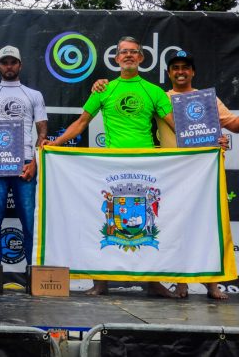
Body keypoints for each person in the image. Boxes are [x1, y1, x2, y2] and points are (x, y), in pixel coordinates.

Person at [95, 50, 239, 299]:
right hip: (172, 175)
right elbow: (131, 110)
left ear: (192, 72)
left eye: (185, 67)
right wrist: (100, 83)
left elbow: (233, 124)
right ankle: (180, 282)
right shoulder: (161, 97)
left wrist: (221, 137)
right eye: (175, 68)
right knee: (174, 228)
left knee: (207, 227)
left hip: (205, 173)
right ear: (169, 73)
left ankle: (213, 284)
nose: (180, 71)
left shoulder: (207, 100)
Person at [42, 36, 178, 298]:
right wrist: (55, 143)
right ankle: (100, 282)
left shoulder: (154, 91)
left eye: (133, 52)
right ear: (116, 58)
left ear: (141, 58)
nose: (128, 56)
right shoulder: (104, 89)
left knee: (151, 222)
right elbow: (82, 122)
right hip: (111, 165)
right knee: (104, 220)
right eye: (123, 52)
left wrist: (205, 142)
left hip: (148, 164)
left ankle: (154, 282)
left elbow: (175, 124)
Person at [0, 45, 48, 265]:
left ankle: (33, 273)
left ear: (20, 65)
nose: (9, 66)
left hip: (25, 162)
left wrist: (35, 162)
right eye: (5, 62)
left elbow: (43, 131)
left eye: (13, 62)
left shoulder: (33, 95)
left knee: (29, 221)